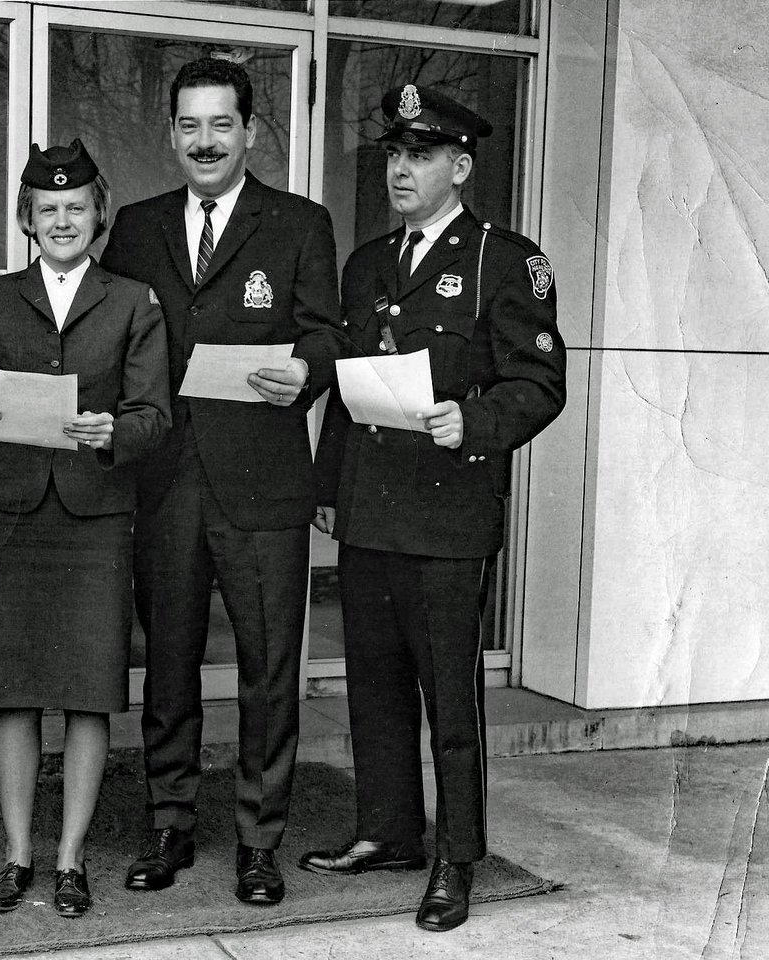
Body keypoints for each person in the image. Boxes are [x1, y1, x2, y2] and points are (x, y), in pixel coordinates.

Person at [302, 84, 567, 932]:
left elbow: (540, 383)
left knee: (451, 698)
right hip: (373, 509)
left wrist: (474, 419)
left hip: (450, 516)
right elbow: (349, 389)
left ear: (460, 166)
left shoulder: (505, 259)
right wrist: (328, 491)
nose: (402, 170)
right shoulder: (369, 264)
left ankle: (457, 856)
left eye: (420, 156)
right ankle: (388, 832)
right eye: (393, 155)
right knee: (373, 684)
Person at [100, 56, 342, 905]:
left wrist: (304, 373)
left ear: (250, 131)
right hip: (164, 481)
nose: (205, 141)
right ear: (171, 134)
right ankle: (168, 824)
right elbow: (116, 338)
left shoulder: (300, 224)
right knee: (166, 661)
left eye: (221, 124)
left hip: (264, 482)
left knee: (269, 668)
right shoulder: (134, 226)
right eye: (189, 126)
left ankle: (256, 841)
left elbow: (324, 336)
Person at [0, 139, 170, 919]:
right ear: (27, 220)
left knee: (86, 697)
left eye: (77, 207)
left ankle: (71, 861)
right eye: (48, 210)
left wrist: (113, 429)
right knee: (14, 697)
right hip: (12, 520)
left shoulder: (133, 300)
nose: (63, 220)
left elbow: (155, 416)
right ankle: (17, 857)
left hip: (95, 521)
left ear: (98, 214)